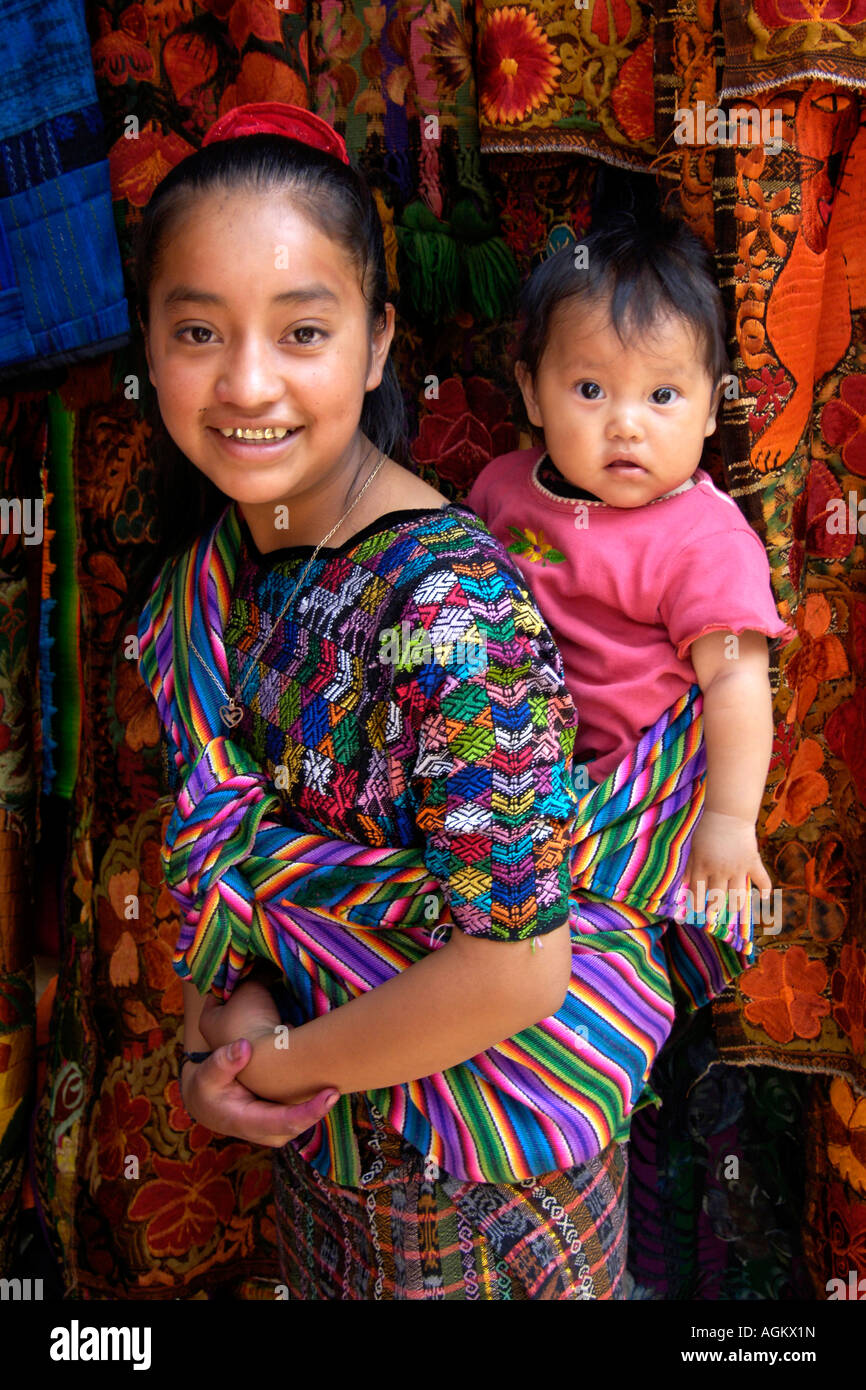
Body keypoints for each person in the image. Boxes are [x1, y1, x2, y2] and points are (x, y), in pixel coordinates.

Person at [135, 103, 637, 1301]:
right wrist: (244, 1031)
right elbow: (281, 878)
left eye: (301, 329)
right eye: (198, 329)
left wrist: (277, 1062)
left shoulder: (448, 611)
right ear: (146, 344)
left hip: (481, 1203)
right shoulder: (233, 563)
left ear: (374, 345)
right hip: (335, 1167)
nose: (246, 380)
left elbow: (516, 965)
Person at [468, 214, 793, 936]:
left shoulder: (703, 540)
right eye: (590, 390)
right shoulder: (501, 490)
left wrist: (731, 820)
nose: (626, 424)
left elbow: (737, 680)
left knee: (599, 958)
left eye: (663, 396)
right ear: (530, 393)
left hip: (630, 799)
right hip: (507, 774)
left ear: (713, 406)